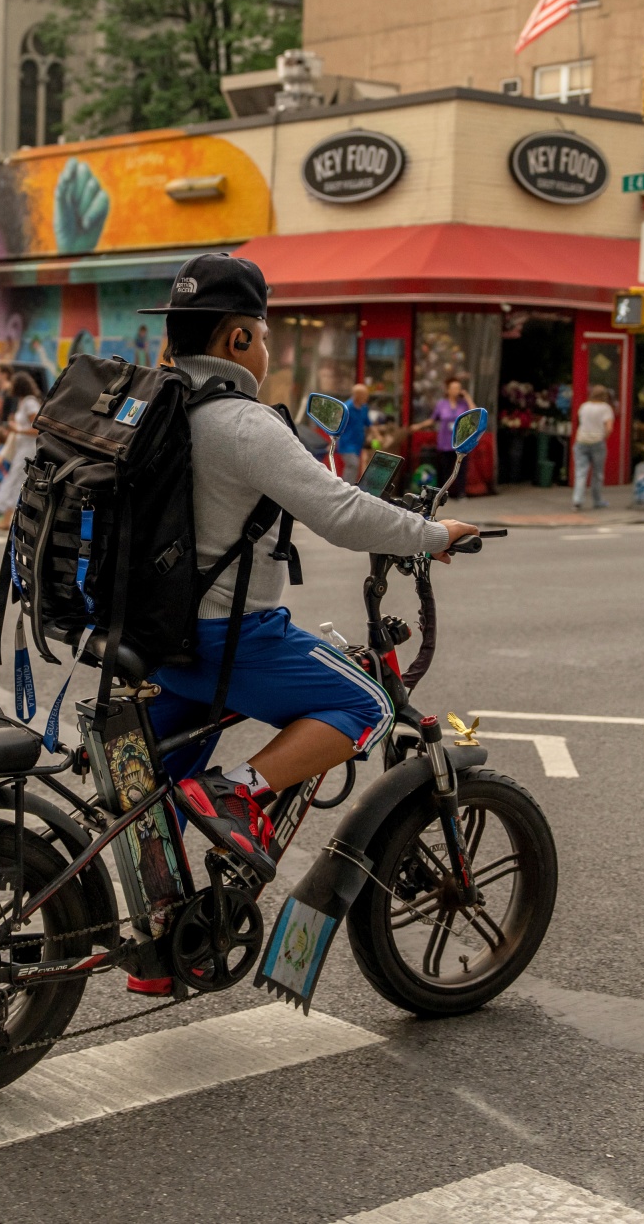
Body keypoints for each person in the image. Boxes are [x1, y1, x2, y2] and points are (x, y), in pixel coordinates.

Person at [136, 253, 477, 896]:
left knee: (150, 797)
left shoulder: (151, 406)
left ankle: (159, 944)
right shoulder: (240, 421)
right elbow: (341, 513)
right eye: (264, 336)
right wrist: (432, 537)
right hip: (226, 638)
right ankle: (236, 795)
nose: (266, 349)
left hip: (152, 636)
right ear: (238, 338)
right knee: (364, 701)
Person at [0, 371, 41, 528]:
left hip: (28, 448)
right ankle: (7, 518)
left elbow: (38, 428)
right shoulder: (23, 402)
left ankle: (8, 519)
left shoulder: (30, 403)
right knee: (15, 481)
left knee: (17, 481)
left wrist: (17, 429)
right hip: (22, 447)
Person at [430, 376, 475, 499]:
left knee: (461, 469)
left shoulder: (463, 404)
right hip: (445, 442)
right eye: (454, 388)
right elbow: (432, 420)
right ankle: (443, 493)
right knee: (445, 469)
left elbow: (475, 412)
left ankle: (461, 492)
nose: (456, 390)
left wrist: (467, 396)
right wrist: (417, 426)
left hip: (461, 442)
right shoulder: (441, 404)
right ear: (448, 390)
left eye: (458, 388)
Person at [572, 384, 614, 510]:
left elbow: (579, 422)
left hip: (581, 441)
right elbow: (609, 428)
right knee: (597, 474)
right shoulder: (605, 408)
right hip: (597, 442)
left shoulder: (584, 406)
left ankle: (577, 500)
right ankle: (597, 501)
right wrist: (603, 437)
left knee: (580, 472)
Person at [334, 382, 372, 482]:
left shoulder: (364, 408)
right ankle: (346, 487)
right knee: (353, 465)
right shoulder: (347, 408)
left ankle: (349, 486)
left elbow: (368, 423)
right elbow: (337, 426)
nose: (366, 398)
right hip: (346, 444)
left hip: (357, 444)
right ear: (357, 395)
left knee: (355, 467)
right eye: (364, 395)